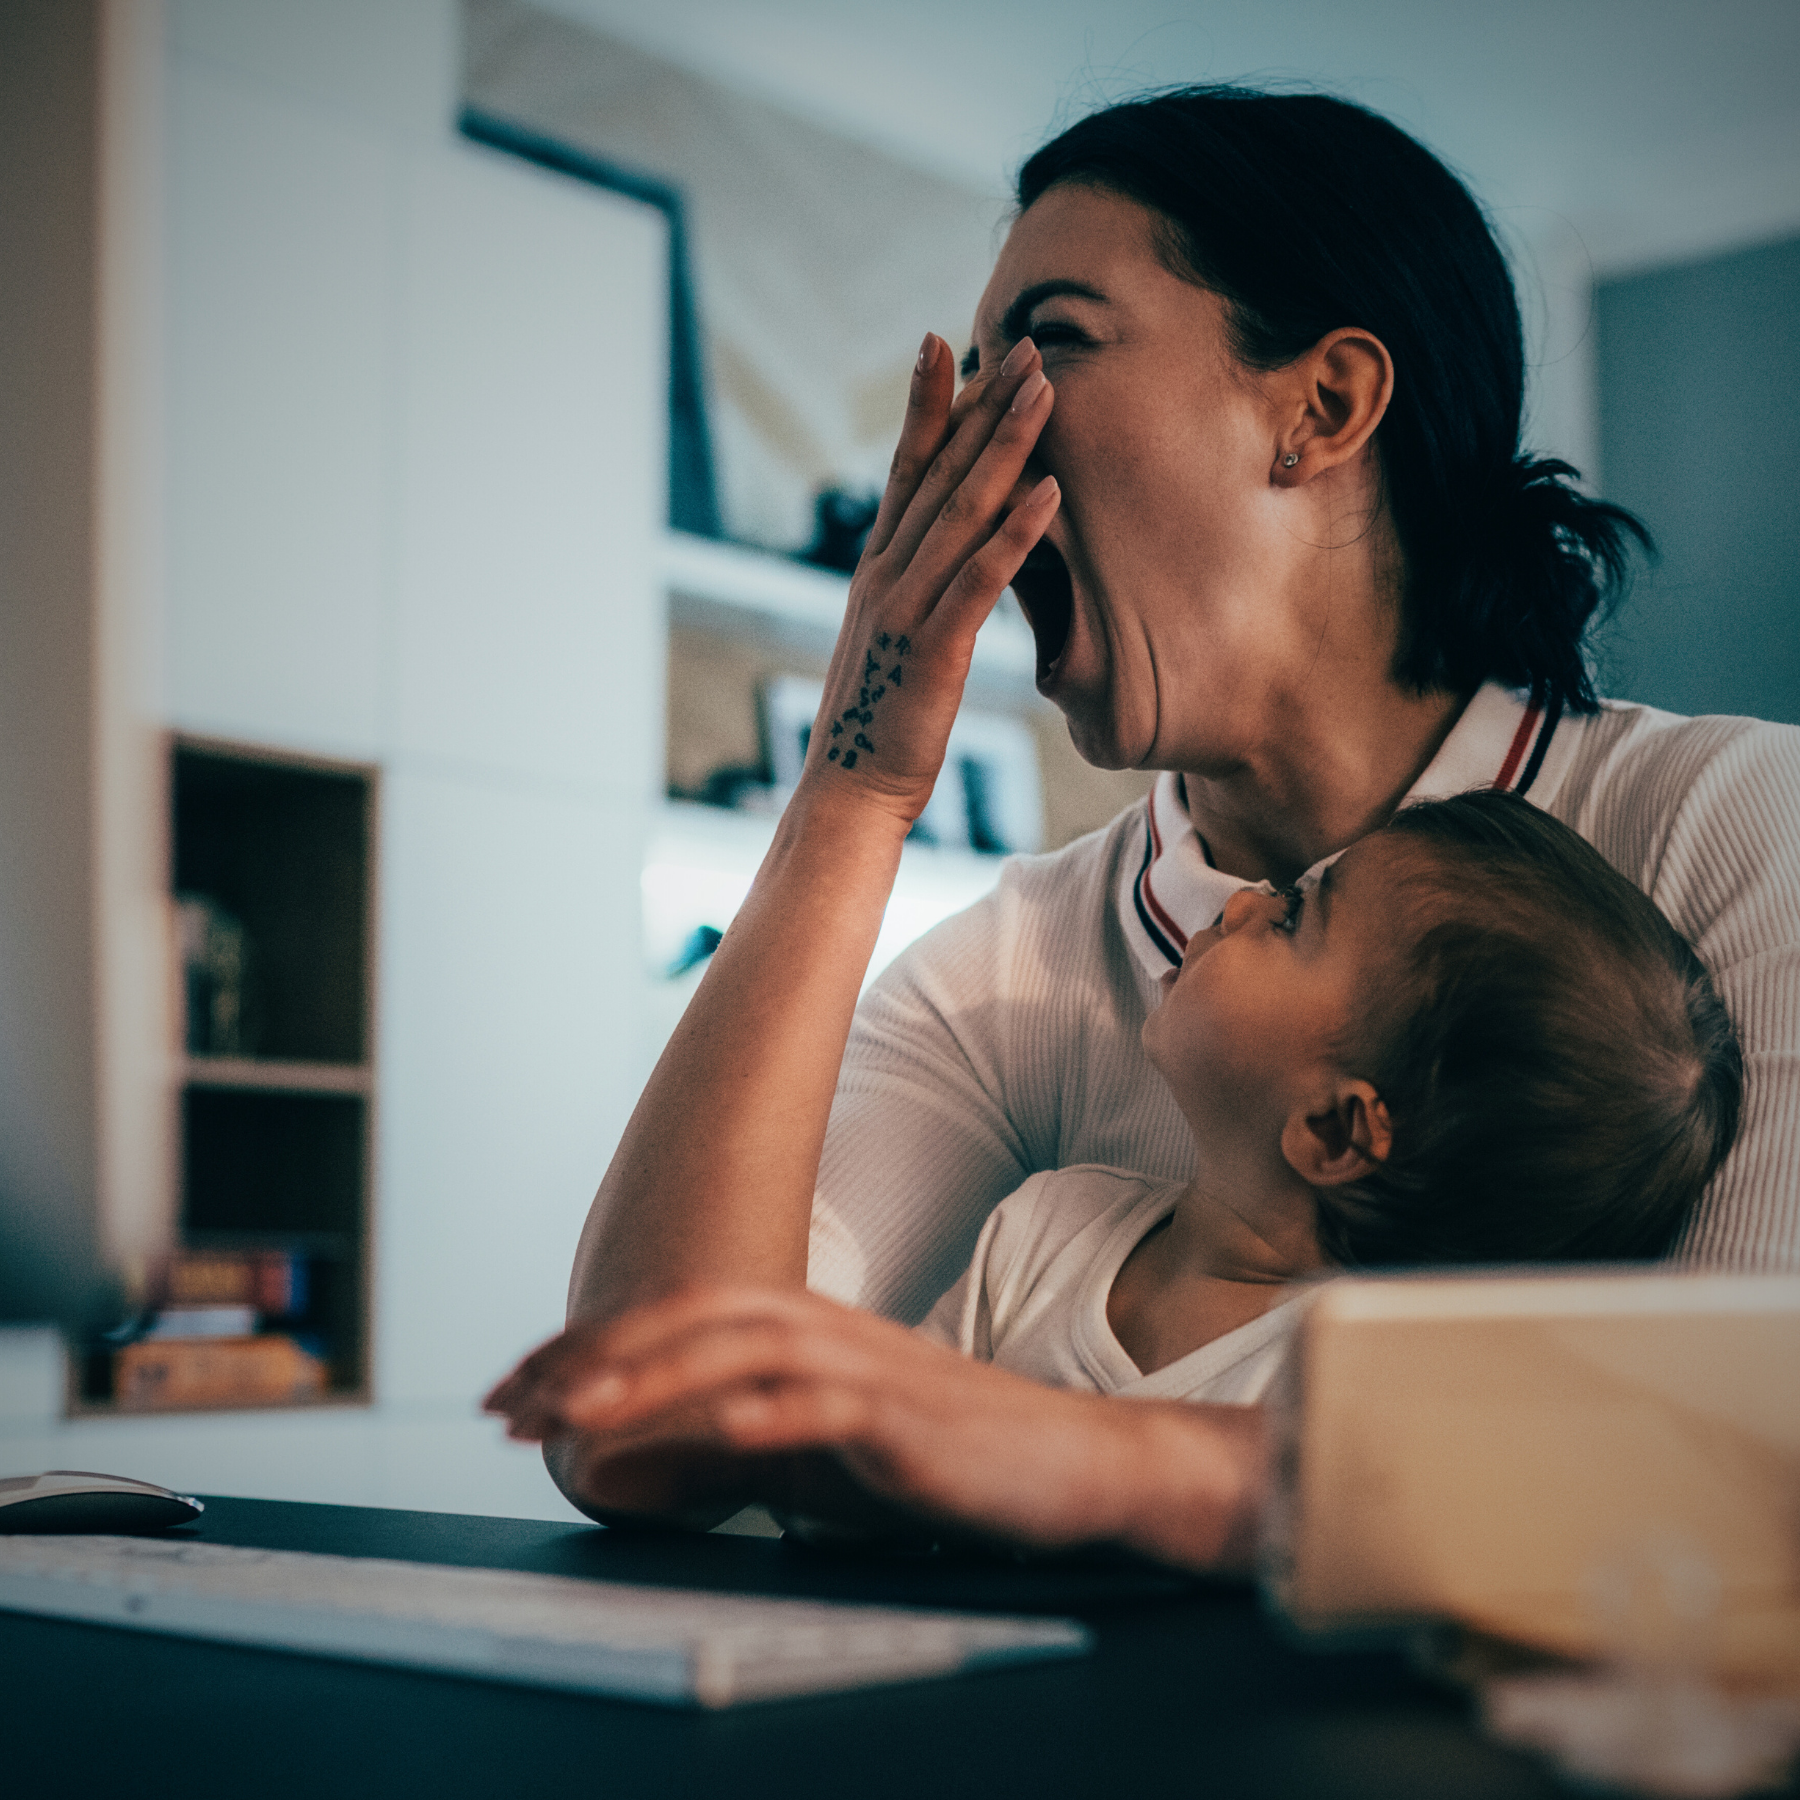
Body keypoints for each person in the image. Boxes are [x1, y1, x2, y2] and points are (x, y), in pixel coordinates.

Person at [493, 86, 1800, 1565]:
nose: (961, 446)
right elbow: (637, 1426)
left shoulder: (1738, 828)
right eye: (973, 370)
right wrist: (851, 791)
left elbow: (1754, 1466)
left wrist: (1093, 1461)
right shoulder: (1009, 977)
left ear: (1322, 406)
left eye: (1048, 342)